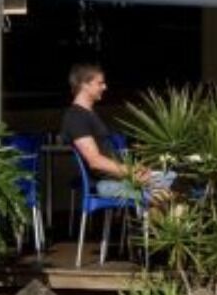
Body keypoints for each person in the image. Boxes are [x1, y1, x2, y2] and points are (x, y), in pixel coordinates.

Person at [60, 62, 169, 199]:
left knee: (173, 178)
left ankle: (153, 216)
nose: (105, 87)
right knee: (170, 188)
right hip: (105, 184)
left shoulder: (88, 114)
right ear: (84, 85)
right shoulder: (76, 117)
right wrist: (132, 172)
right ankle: (156, 217)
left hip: (119, 178)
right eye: (100, 83)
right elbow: (95, 161)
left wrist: (135, 171)